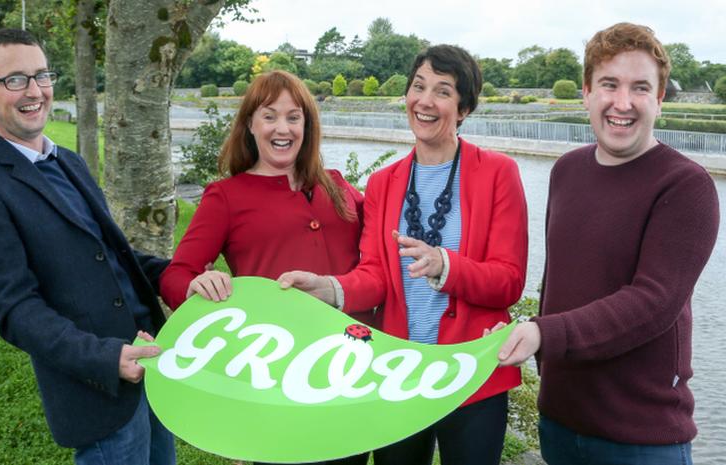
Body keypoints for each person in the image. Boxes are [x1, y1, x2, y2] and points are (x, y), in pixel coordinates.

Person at [279, 45, 528, 465]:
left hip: (472, 371)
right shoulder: (383, 183)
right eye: (418, 86)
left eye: (443, 91)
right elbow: (375, 273)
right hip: (398, 372)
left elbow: (508, 281)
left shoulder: (499, 173)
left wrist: (445, 266)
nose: (425, 101)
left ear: (464, 108)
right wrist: (329, 288)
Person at [0, 29, 175, 465]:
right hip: (99, 393)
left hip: (152, 365)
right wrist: (107, 359)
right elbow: (15, 310)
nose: (34, 91)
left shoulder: (68, 161)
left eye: (41, 75)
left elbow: (116, 254)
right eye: (15, 80)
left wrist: (183, 278)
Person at [495, 23, 720, 465]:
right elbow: (557, 283)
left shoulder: (686, 186)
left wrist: (544, 334)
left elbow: (652, 303)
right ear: (586, 92)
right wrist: (524, 340)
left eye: (640, 88)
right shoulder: (566, 171)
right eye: (609, 85)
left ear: (659, 99)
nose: (622, 103)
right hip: (559, 424)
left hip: (642, 440)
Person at [159, 70, 369, 465]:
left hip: (352, 365)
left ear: (307, 125)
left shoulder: (338, 186)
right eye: (269, 116)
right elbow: (176, 274)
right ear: (250, 126)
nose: (282, 128)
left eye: (294, 117)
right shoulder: (226, 196)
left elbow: (386, 243)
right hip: (279, 375)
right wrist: (197, 286)